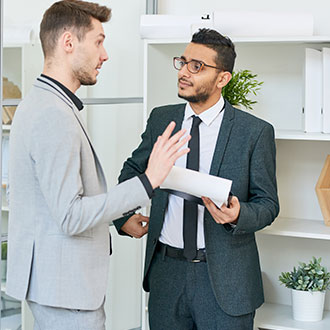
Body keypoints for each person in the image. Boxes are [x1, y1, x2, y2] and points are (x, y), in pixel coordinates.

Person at [5, 1, 190, 329]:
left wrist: (120, 219)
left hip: (56, 287)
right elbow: (70, 216)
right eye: (99, 41)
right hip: (66, 293)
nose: (105, 55)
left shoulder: (44, 102)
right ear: (68, 43)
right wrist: (148, 181)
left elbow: (55, 204)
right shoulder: (52, 115)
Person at [114, 28, 280, 330]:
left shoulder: (254, 132)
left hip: (226, 282)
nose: (185, 72)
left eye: (197, 66)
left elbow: (268, 204)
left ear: (223, 79)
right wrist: (122, 217)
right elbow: (132, 171)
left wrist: (238, 213)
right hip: (166, 274)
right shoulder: (162, 118)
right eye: (183, 62)